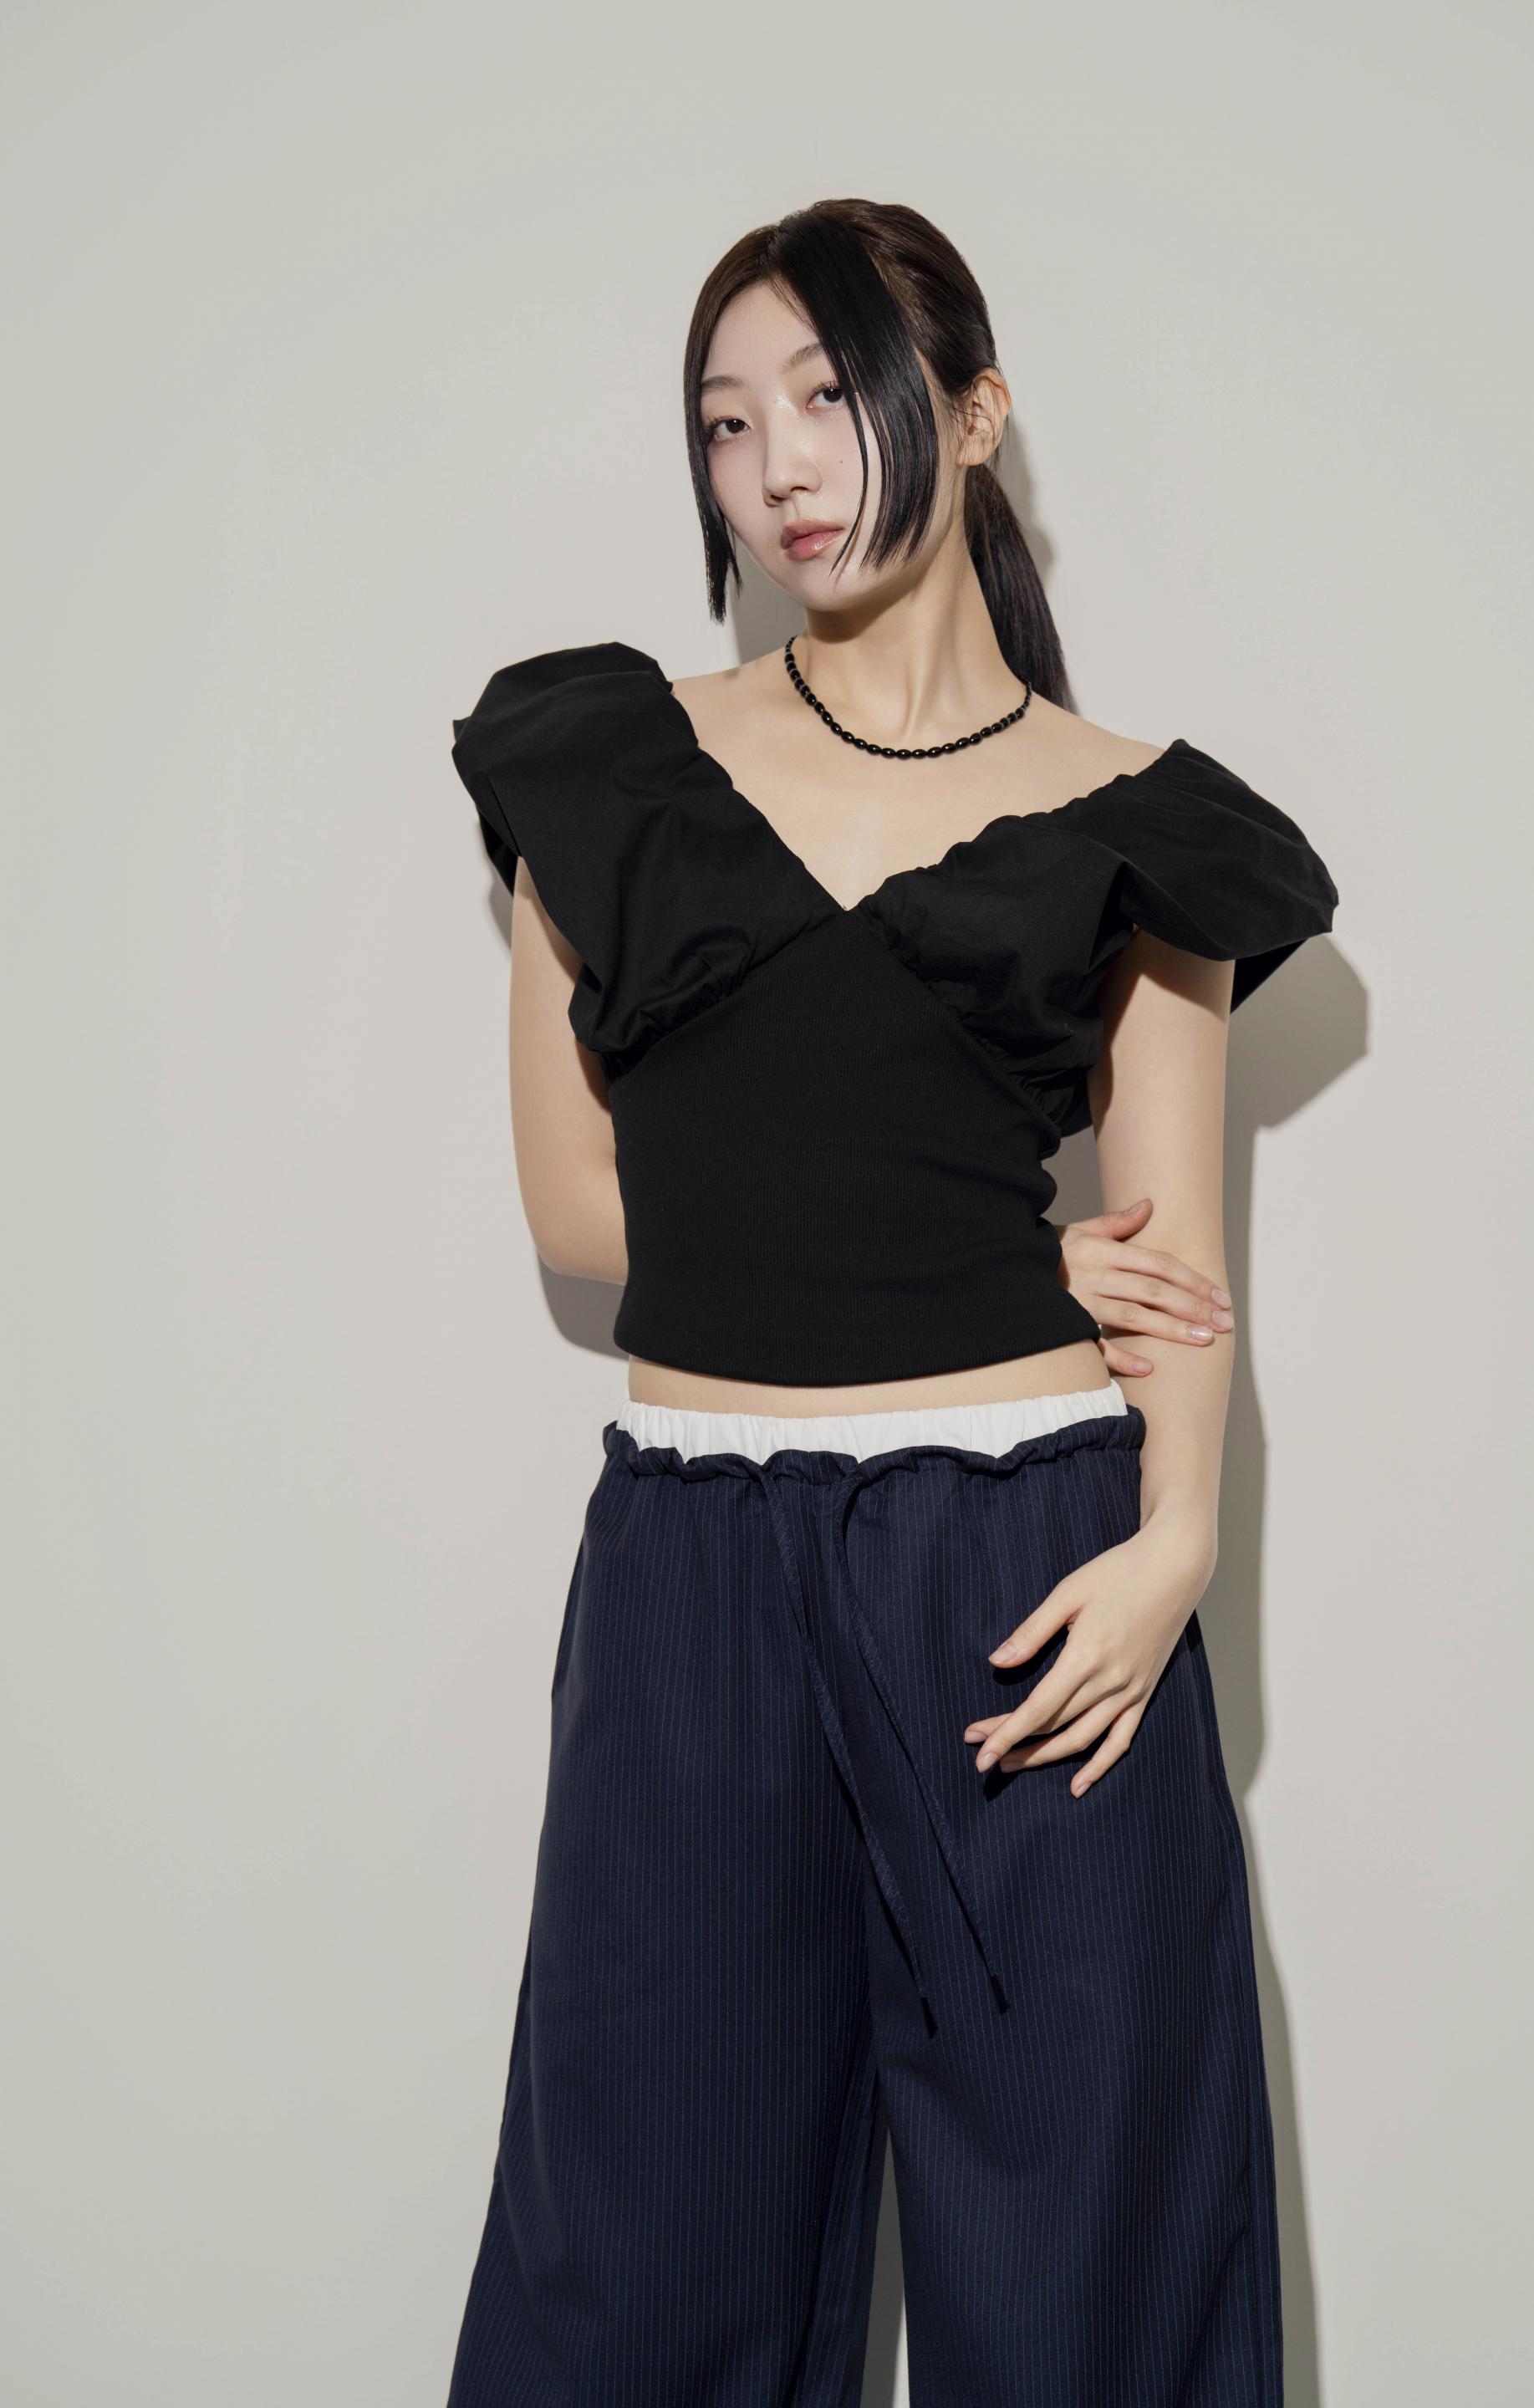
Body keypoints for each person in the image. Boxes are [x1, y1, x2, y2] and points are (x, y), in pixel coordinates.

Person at [443, 197, 1338, 2408]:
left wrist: (1180, 1543)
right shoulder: (610, 764)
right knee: (645, 2249)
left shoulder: (1134, 816)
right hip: (698, 1560)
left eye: (831, 398)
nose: (779, 468)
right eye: (726, 423)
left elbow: (1176, 1265)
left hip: (1036, 1571)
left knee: (1092, 2248)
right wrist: (987, 1259)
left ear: (977, 410)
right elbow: (578, 1212)